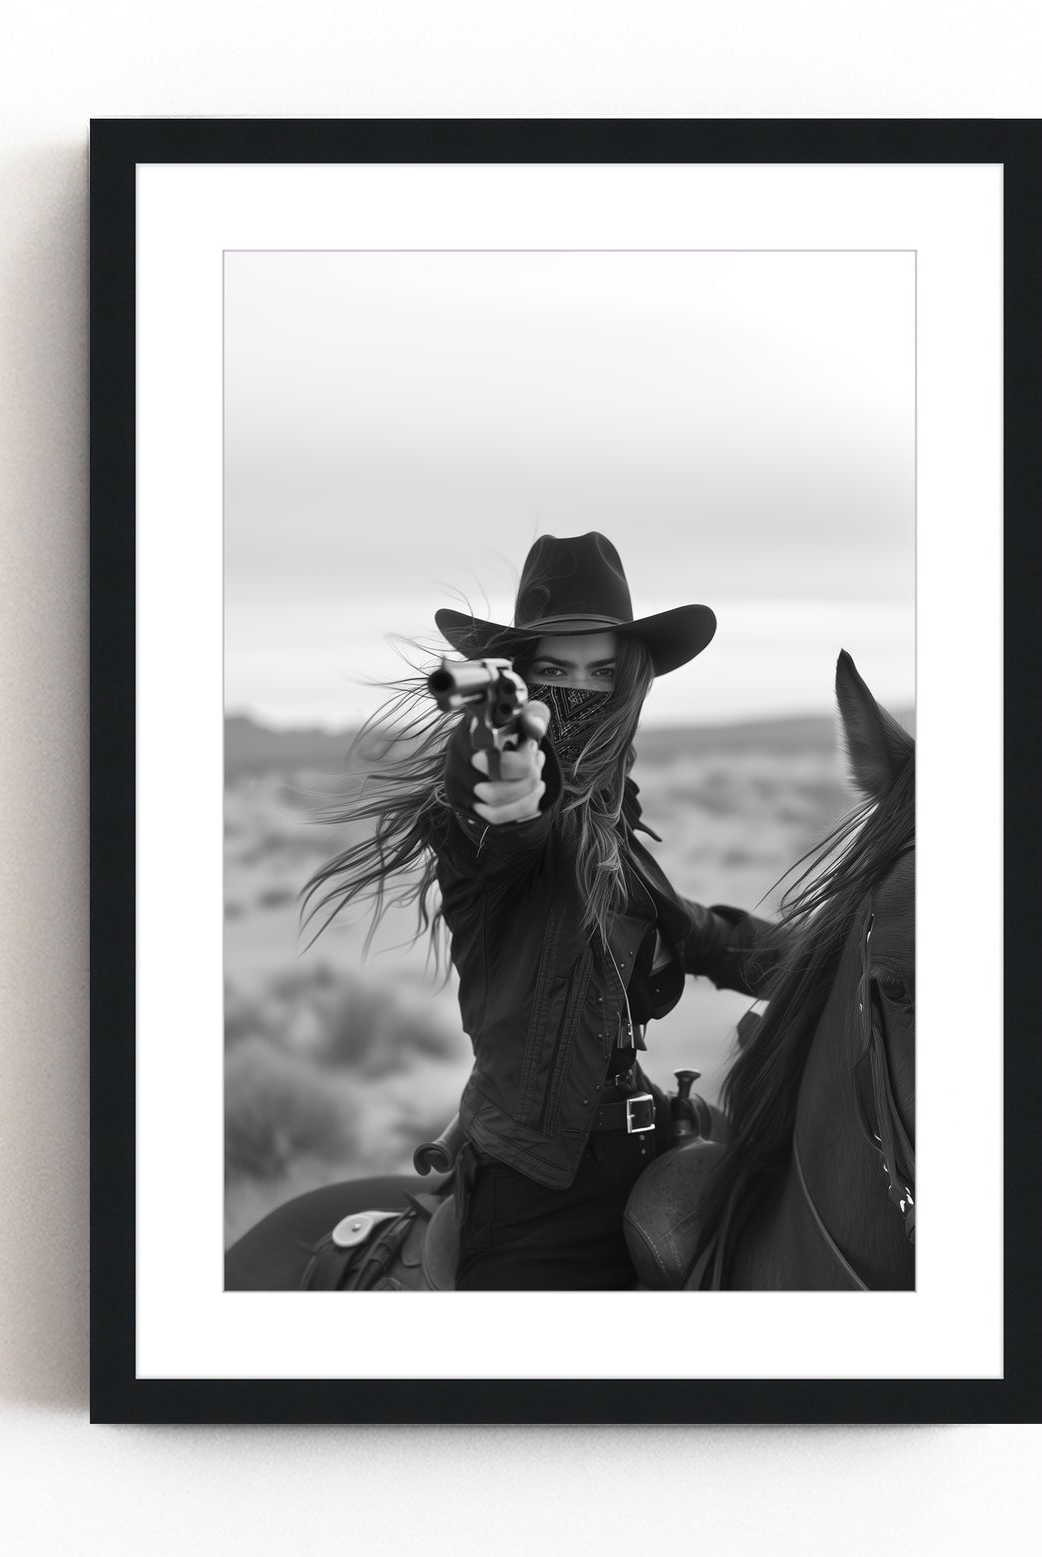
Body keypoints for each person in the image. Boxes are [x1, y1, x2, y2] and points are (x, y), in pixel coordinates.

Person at [301, 531, 776, 1289]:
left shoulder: (616, 835)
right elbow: (508, 809)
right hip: (536, 1200)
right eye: (554, 669)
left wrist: (836, 951)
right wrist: (504, 773)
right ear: (522, 679)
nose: (579, 691)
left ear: (630, 684)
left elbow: (703, 932)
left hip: (649, 1150)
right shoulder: (491, 823)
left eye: (601, 672)